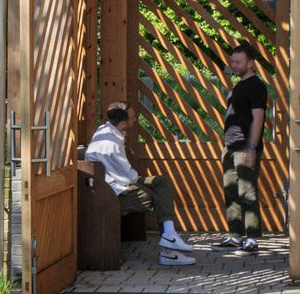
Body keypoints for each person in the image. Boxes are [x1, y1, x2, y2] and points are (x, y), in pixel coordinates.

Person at [84, 103, 198, 265]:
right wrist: (142, 181)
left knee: (162, 182)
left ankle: (169, 235)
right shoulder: (110, 144)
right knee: (153, 196)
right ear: (123, 123)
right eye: (133, 118)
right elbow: (126, 176)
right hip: (110, 193)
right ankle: (168, 252)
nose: (136, 120)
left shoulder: (108, 130)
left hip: (116, 184)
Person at [217, 41, 268, 253]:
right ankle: (235, 236)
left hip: (244, 148)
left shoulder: (256, 85)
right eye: (232, 62)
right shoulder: (238, 86)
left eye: (238, 62)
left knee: (247, 191)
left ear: (251, 64)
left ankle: (252, 239)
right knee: (231, 192)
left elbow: (258, 118)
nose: (233, 66)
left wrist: (251, 148)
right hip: (230, 147)